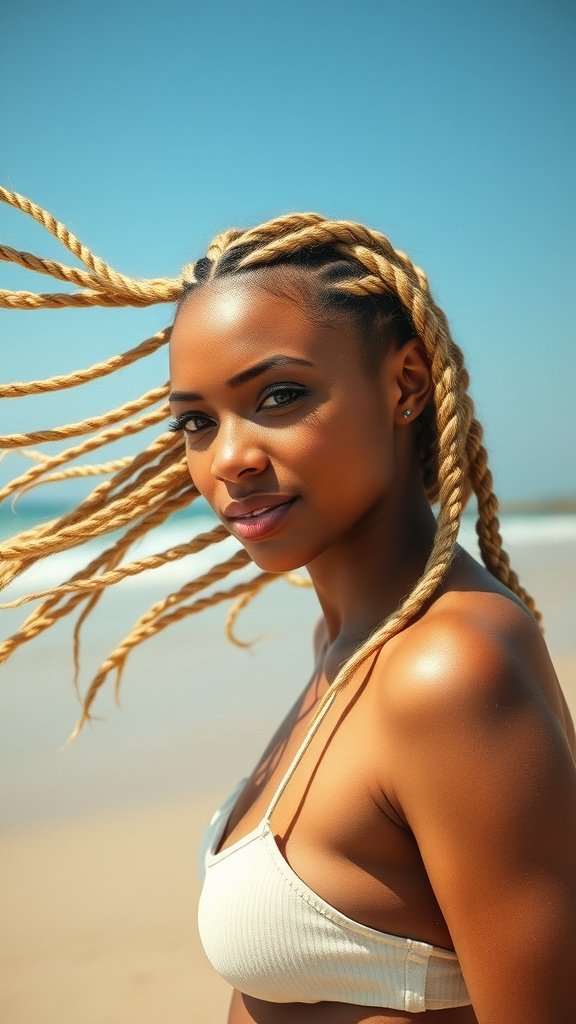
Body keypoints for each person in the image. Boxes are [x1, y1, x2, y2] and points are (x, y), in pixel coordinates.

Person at [1, 189, 576, 1024]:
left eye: (278, 396)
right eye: (197, 422)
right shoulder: (347, 639)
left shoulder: (447, 669)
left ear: (406, 383)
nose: (229, 459)